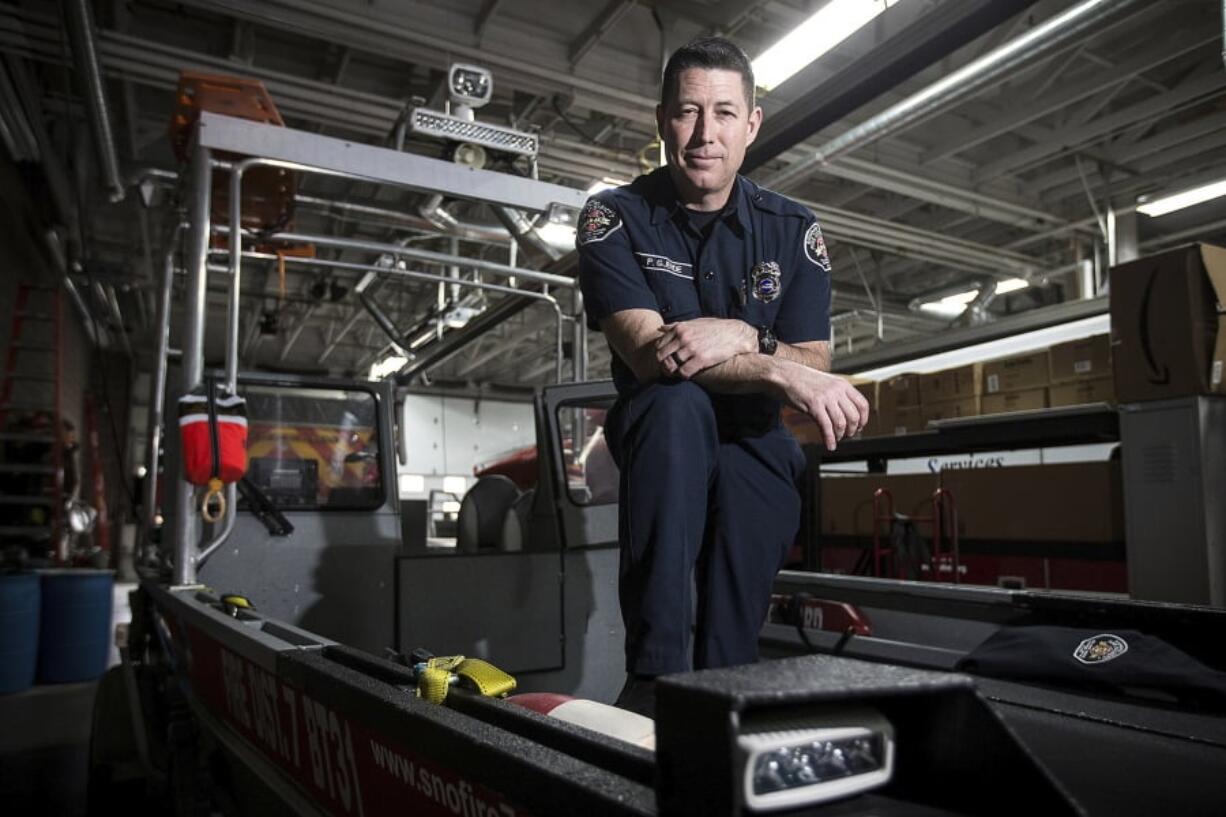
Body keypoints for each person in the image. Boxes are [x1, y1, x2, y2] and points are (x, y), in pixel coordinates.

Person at [575, 37, 869, 714]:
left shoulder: (792, 229)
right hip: (665, 440)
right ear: (661, 121)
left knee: (732, 646)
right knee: (674, 405)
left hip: (754, 445)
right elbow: (656, 354)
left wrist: (746, 335)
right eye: (687, 112)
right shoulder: (611, 216)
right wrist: (771, 360)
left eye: (725, 113)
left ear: (752, 123)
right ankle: (652, 678)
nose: (706, 134)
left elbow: (815, 359)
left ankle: (723, 706)